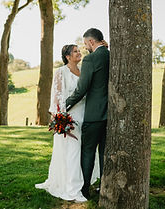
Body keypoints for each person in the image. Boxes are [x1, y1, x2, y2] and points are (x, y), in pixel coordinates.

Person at [35, 44, 99, 203]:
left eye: (79, 50)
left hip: (86, 115)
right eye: (75, 51)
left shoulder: (83, 71)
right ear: (68, 56)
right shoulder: (61, 72)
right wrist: (60, 117)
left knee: (84, 151)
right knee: (72, 152)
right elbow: (57, 96)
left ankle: (84, 180)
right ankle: (72, 188)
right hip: (69, 117)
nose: (79, 53)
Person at [66, 28, 109, 199]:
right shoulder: (112, 55)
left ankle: (84, 189)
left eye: (85, 44)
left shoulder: (91, 59)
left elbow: (82, 89)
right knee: (105, 152)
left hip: (94, 114)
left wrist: (65, 104)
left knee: (88, 151)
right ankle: (104, 187)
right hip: (109, 114)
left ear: (91, 42)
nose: (85, 48)